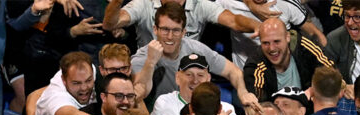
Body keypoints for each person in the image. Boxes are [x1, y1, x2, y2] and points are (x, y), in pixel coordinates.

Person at [129, 2, 258, 108]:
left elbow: (233, 71)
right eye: (165, 29)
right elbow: (139, 95)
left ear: (184, 32)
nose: (170, 36)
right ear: (155, 29)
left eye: (176, 30)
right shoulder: (142, 57)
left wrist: (243, 93)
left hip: (194, 113)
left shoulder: (195, 48)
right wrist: (150, 62)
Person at [243, 18, 335, 102]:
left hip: (310, 110)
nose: (271, 48)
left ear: (287, 37)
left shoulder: (303, 46)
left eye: (276, 41)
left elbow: (331, 72)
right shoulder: (255, 65)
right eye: (266, 43)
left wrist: (314, 90)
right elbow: (259, 105)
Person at [217, 0, 326, 69]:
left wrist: (326, 62)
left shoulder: (286, 3)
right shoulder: (227, 2)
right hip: (245, 74)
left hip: (284, 73)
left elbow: (315, 34)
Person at [103, 0, 259, 46]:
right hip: (149, 71)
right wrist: (117, 1)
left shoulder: (200, 4)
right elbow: (110, 24)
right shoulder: (144, 3)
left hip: (188, 73)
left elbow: (234, 20)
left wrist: (257, 26)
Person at [151, 54, 240, 115]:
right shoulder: (165, 102)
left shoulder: (225, 108)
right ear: (178, 78)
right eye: (189, 75)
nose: (195, 81)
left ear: (208, 79)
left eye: (200, 75)